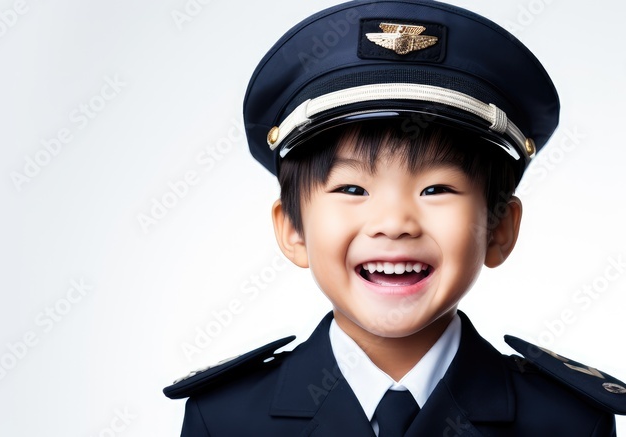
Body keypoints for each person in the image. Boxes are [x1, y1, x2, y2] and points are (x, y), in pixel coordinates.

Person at [162, 0, 626, 435]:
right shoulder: (223, 419)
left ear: (500, 227)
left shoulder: (568, 421)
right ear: (292, 229)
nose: (394, 222)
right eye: (352, 189)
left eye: (436, 189)